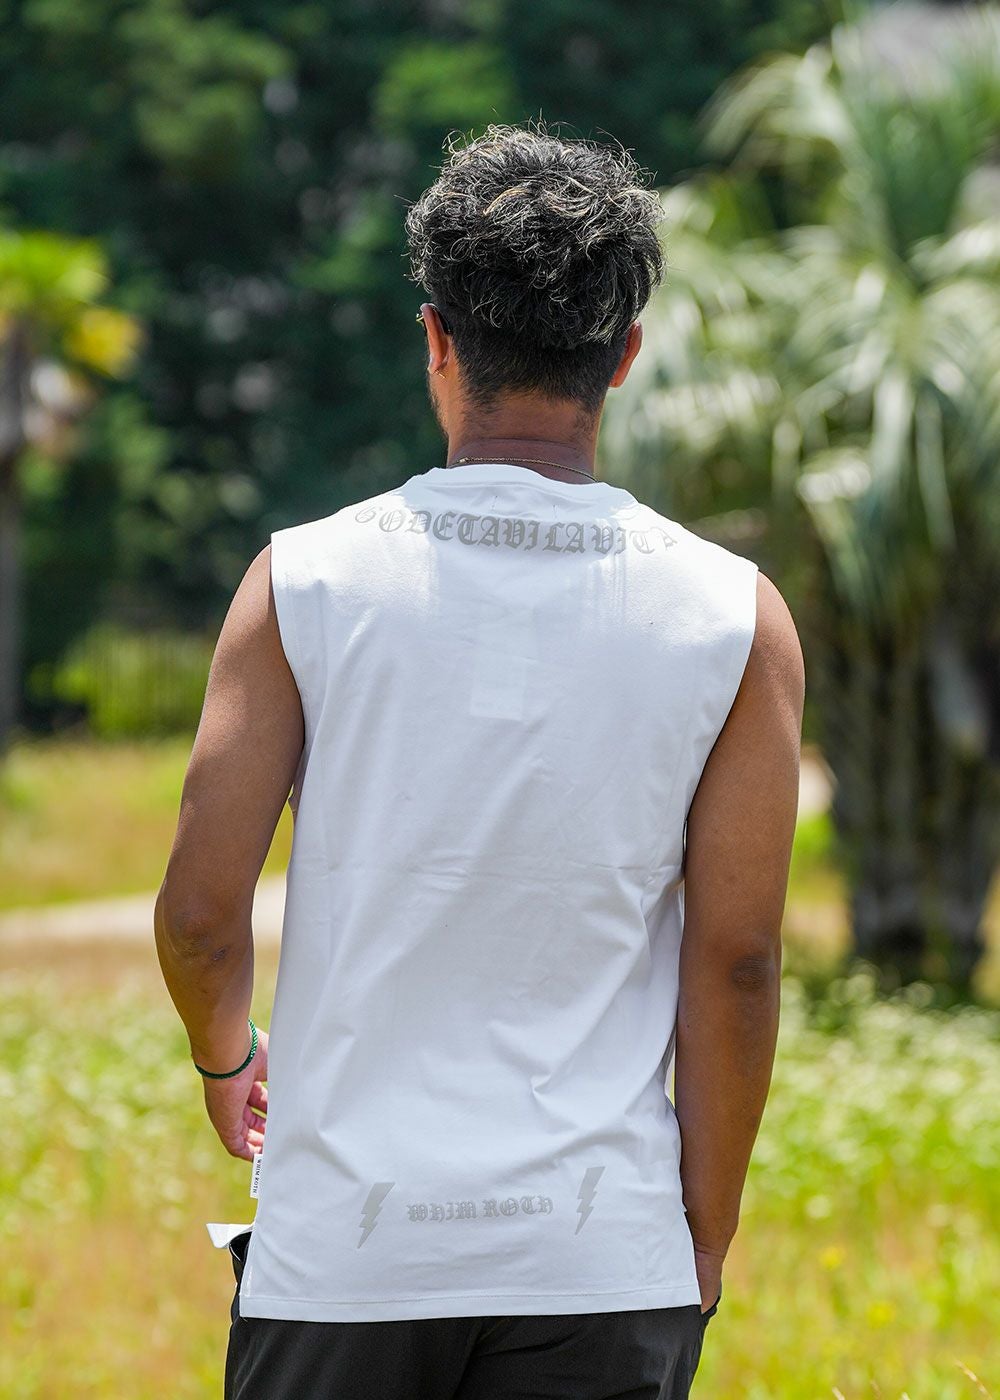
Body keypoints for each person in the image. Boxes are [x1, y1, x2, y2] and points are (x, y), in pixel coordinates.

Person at [154, 119, 805, 1400]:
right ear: (624, 354)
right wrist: (700, 1235)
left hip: (344, 1258)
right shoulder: (733, 614)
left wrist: (226, 1059)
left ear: (436, 339)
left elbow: (197, 916)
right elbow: (736, 961)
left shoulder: (304, 579)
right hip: (600, 1258)